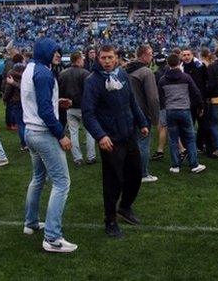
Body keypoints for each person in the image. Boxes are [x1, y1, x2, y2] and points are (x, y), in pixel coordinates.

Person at [82, 45, 149, 239]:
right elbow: (88, 113)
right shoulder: (92, 81)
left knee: (135, 174)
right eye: (103, 58)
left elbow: (132, 102)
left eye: (110, 57)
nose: (107, 61)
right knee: (113, 182)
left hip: (128, 134)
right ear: (98, 59)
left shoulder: (122, 75)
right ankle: (110, 220)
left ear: (116, 58)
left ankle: (125, 207)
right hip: (110, 139)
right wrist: (100, 135)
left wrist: (142, 122)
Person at [21, 37, 77, 253]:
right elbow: (44, 110)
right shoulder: (44, 73)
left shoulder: (32, 68)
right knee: (62, 182)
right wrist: (60, 134)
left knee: (37, 178)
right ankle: (52, 238)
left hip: (31, 131)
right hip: (43, 133)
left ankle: (31, 222)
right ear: (44, 51)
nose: (57, 54)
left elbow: (37, 101)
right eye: (54, 50)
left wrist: (57, 102)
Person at [158, 54, 206, 174]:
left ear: (168, 64)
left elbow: (161, 97)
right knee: (190, 137)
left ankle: (175, 166)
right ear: (179, 63)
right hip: (184, 109)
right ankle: (194, 165)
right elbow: (196, 92)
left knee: (173, 138)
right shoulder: (186, 77)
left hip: (170, 111)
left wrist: (165, 107)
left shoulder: (163, 80)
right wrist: (200, 105)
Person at [125, 45, 161, 182]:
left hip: (128, 112)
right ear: (144, 55)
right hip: (142, 113)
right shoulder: (146, 72)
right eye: (151, 54)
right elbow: (153, 98)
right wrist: (156, 118)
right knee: (143, 144)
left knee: (132, 144)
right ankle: (142, 174)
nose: (152, 57)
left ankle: (130, 171)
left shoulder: (126, 70)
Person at [58, 51, 95, 166]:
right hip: (84, 107)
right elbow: (91, 92)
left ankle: (77, 158)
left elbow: (60, 91)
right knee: (89, 132)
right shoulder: (86, 73)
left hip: (70, 107)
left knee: (73, 133)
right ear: (78, 60)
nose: (83, 60)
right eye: (82, 59)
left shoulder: (63, 74)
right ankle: (91, 157)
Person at [3, 54, 27, 151]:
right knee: (27, 123)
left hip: (16, 100)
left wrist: (5, 98)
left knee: (21, 124)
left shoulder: (11, 74)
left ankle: (24, 144)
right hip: (26, 100)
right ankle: (29, 143)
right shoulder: (26, 73)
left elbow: (8, 89)